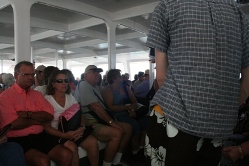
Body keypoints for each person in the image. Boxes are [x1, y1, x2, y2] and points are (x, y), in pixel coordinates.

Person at [145, 1, 249, 166]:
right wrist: (229, 107)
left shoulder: (167, 6)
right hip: (220, 123)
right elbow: (246, 76)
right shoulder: (239, 14)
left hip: (175, 115)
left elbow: (161, 77)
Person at [0, 61, 73, 166]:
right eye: (26, 74)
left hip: (40, 136)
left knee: (66, 155)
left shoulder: (37, 94)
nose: (30, 77)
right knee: (42, 161)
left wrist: (28, 114)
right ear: (16, 75)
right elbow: (13, 123)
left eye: (32, 74)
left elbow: (49, 115)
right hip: (18, 140)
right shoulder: (5, 97)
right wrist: (38, 120)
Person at [75, 65, 132, 166]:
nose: (98, 75)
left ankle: (116, 161)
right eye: (94, 73)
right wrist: (112, 122)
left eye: (98, 73)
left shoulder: (95, 87)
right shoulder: (84, 84)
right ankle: (107, 164)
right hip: (90, 122)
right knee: (117, 133)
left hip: (99, 119)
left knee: (128, 128)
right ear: (86, 75)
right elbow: (95, 107)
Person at [44, 70, 99, 166]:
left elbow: (80, 114)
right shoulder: (47, 100)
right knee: (72, 147)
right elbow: (46, 127)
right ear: (53, 84)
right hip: (56, 133)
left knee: (93, 142)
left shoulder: (70, 97)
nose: (64, 83)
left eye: (66, 81)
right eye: (60, 81)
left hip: (73, 130)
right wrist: (65, 136)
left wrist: (81, 128)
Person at [102, 69, 148, 161]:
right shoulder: (108, 89)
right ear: (114, 78)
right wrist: (128, 108)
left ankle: (141, 148)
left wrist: (131, 108)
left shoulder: (125, 87)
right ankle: (134, 152)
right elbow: (111, 107)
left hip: (129, 112)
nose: (122, 77)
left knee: (145, 123)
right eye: (119, 75)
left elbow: (134, 101)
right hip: (117, 115)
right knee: (134, 126)